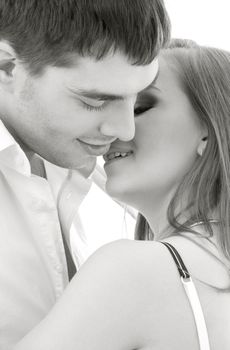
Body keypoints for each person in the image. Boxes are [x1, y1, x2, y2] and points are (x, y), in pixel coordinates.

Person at [15, 39, 230, 350]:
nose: (119, 129)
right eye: (104, 102)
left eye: (140, 107)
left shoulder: (135, 270)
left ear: (208, 132)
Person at [0, 1, 171, 348]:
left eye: (137, 99)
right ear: (6, 66)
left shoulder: (115, 180)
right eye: (94, 102)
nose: (124, 129)